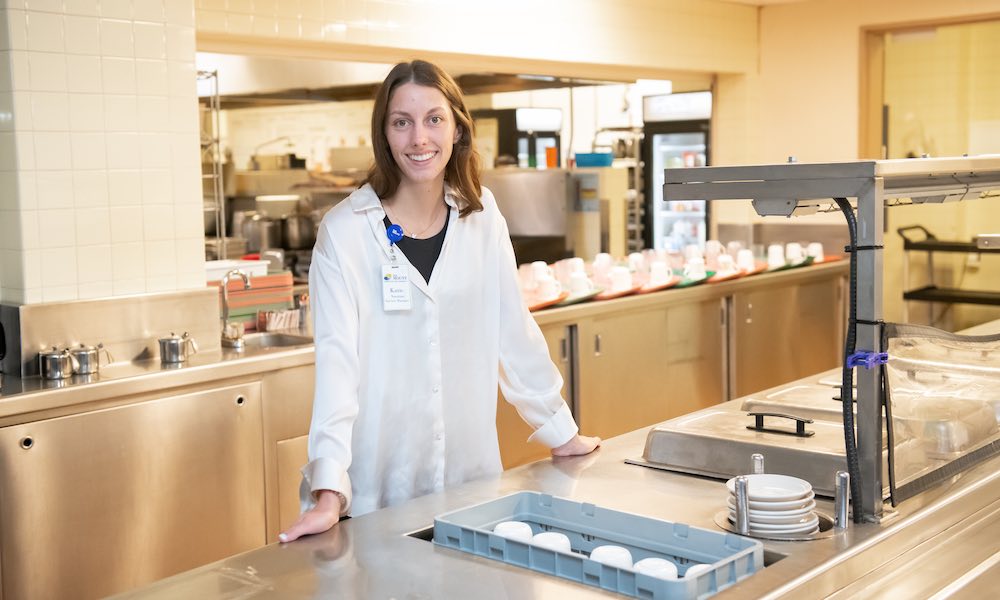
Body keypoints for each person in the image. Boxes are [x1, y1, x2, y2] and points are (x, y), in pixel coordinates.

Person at [279, 60, 600, 543]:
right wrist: (328, 487)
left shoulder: (482, 216)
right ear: (384, 134)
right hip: (379, 492)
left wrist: (561, 432)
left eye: (433, 119)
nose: (418, 139)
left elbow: (513, 332)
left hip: (470, 483)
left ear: (456, 128)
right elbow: (337, 367)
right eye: (401, 122)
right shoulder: (345, 233)